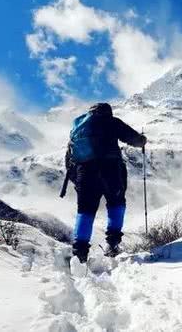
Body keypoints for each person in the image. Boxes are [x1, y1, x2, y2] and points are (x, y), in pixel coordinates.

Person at [65, 102, 146, 263]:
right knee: (116, 204)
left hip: (85, 174)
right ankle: (113, 244)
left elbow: (69, 159)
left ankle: (80, 253)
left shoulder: (78, 129)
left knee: (85, 211)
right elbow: (134, 140)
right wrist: (143, 140)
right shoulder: (112, 122)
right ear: (108, 112)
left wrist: (78, 181)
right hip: (110, 172)